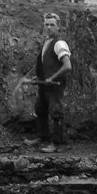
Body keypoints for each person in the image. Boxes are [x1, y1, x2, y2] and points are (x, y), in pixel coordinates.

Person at [26, 12, 72, 149]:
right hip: (44, 85)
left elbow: (67, 66)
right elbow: (46, 64)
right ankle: (42, 138)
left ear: (58, 27)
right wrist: (39, 77)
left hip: (55, 85)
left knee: (56, 112)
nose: (49, 27)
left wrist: (52, 78)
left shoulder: (59, 44)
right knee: (40, 109)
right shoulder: (47, 42)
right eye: (46, 24)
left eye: (52, 25)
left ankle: (57, 144)